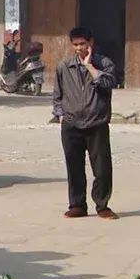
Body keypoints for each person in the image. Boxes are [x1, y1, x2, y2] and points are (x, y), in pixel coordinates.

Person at [54, 27, 119, 220]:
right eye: (75, 44)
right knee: (74, 167)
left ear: (90, 43)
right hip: (71, 124)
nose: (79, 48)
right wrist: (60, 115)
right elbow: (57, 95)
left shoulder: (104, 63)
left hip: (96, 123)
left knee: (102, 168)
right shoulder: (64, 66)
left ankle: (102, 205)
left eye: (82, 44)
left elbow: (108, 84)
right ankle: (77, 204)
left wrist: (90, 66)